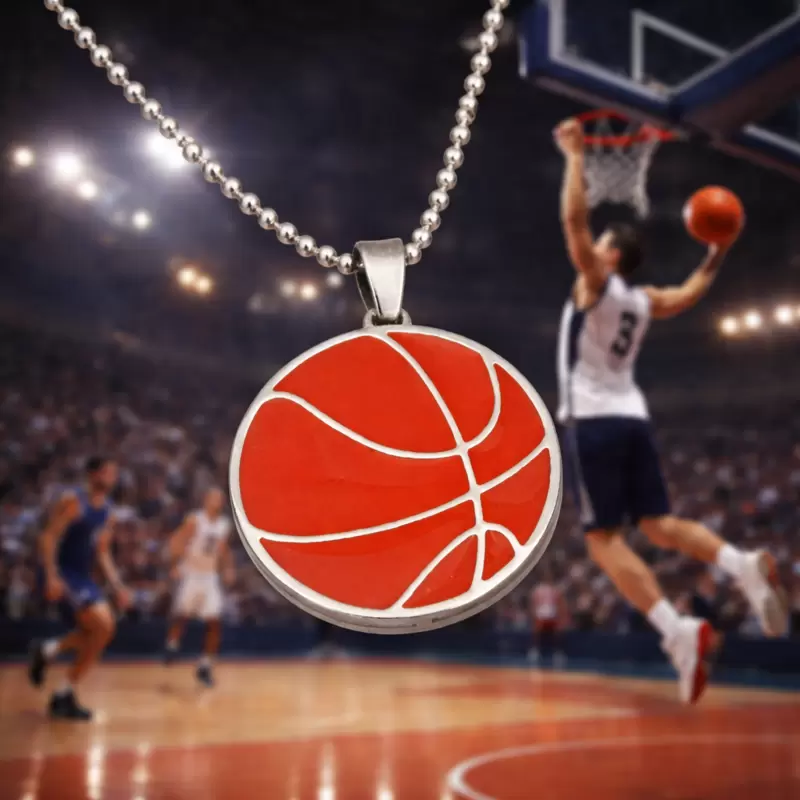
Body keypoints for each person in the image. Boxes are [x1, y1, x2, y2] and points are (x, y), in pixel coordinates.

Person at [553, 117, 788, 704]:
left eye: (601, 245)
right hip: (633, 416)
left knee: (603, 541)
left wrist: (576, 156)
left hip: (593, 417)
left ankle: (676, 630)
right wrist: (717, 253)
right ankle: (741, 563)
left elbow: (572, 220)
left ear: (609, 257)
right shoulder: (642, 298)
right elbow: (685, 294)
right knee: (656, 525)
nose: (594, 246)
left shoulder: (597, 285)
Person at [28, 456, 130, 720]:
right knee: (102, 625)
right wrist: (51, 575)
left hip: (82, 577)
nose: (112, 477)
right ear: (93, 474)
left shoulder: (108, 510)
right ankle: (55, 672)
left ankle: (54, 665)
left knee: (101, 631)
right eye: (108, 472)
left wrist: (118, 585)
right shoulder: (73, 501)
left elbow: (102, 552)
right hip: (62, 572)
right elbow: (48, 537)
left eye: (114, 473)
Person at [163, 487, 234, 686]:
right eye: (213, 498)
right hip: (191, 573)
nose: (216, 502)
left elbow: (222, 549)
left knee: (215, 620)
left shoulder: (223, 524)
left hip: (210, 576)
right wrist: (175, 564)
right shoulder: (195, 519)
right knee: (182, 615)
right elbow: (178, 541)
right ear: (206, 500)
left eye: (219, 499)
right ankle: (172, 643)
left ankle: (205, 665)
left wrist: (228, 568)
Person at [527, 567, 567, 666]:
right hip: (541, 614)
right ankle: (535, 651)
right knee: (537, 630)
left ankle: (557, 652)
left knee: (556, 632)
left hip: (552, 614)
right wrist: (534, 614)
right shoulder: (538, 589)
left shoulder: (556, 589)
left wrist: (560, 616)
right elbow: (533, 603)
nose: (548, 577)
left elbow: (559, 603)